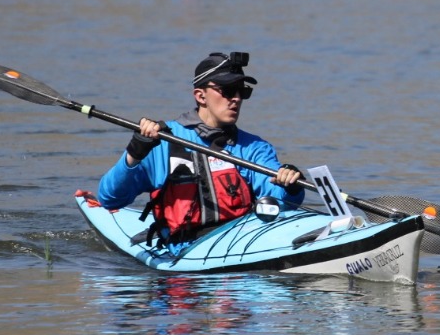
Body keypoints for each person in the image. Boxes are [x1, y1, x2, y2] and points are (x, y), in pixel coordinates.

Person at [96, 52, 305, 249]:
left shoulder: (255, 148)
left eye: (242, 91)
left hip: (238, 244)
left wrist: (291, 187)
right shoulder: (161, 140)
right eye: (228, 91)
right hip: (182, 257)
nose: (237, 98)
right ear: (200, 96)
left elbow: (279, 202)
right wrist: (134, 154)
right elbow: (110, 199)